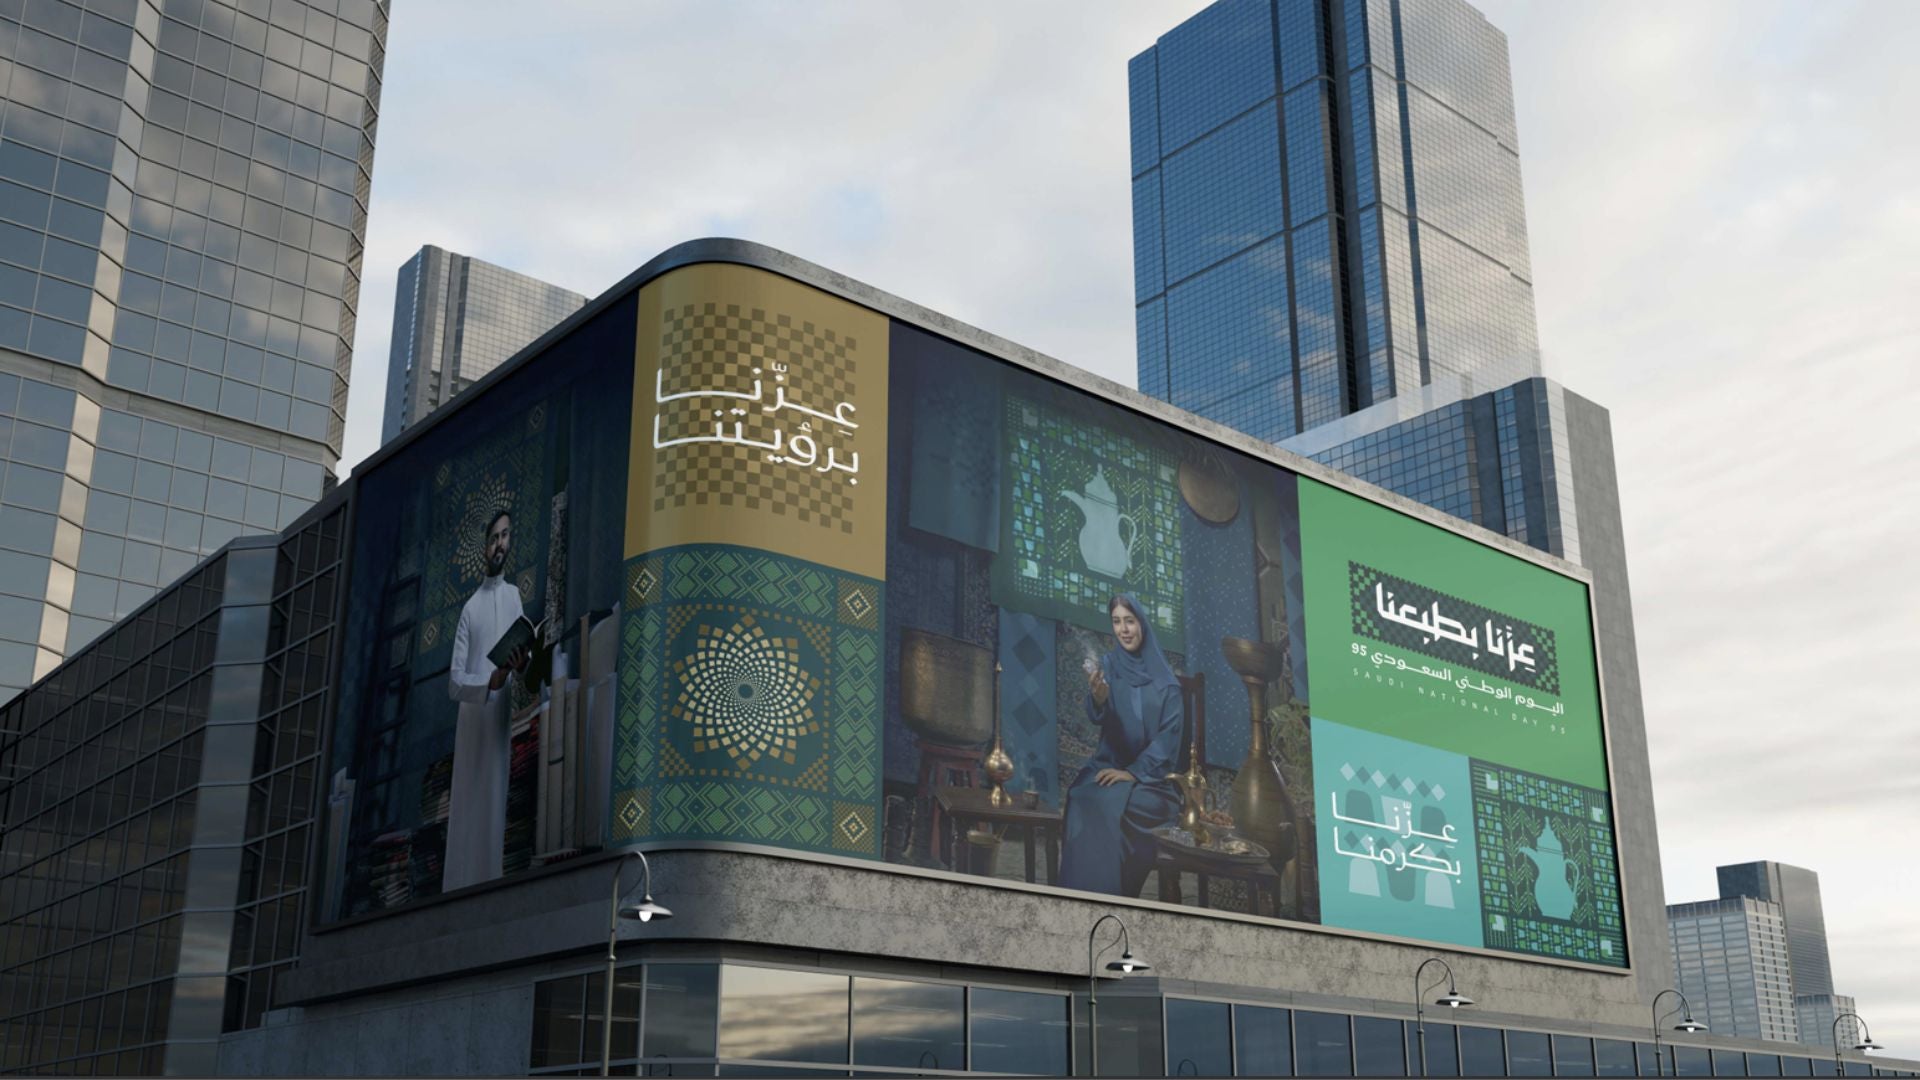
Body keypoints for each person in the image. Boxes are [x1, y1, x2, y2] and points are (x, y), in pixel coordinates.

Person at [1058, 594, 1184, 897]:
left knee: (1124, 806)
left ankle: (1117, 895)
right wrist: (1100, 698)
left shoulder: (1168, 685)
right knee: (1083, 796)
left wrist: (1134, 773)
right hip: (1108, 767)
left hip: (1153, 783)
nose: (1123, 630)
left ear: (1142, 623)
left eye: (1130, 621)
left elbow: (1168, 740)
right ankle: (1084, 898)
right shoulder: (1109, 666)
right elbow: (1103, 718)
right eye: (1116, 621)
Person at [444, 508, 530, 892]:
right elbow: (454, 682)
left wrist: (521, 663)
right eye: (494, 537)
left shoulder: (514, 597)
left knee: (495, 804)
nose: (500, 544)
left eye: (506, 536)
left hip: (500, 724)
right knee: (470, 805)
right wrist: (490, 682)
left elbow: (522, 658)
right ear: (484, 546)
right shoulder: (470, 609)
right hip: (474, 721)